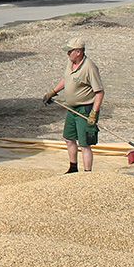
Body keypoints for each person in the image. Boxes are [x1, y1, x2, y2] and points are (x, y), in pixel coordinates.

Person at [43, 36, 104, 173]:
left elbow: (99, 92)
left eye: (70, 51)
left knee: (85, 144)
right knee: (69, 138)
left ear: (79, 52)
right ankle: (73, 168)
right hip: (71, 108)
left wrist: (94, 113)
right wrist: (53, 92)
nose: (67, 53)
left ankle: (87, 173)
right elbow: (66, 79)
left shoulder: (89, 67)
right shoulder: (71, 63)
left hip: (85, 109)